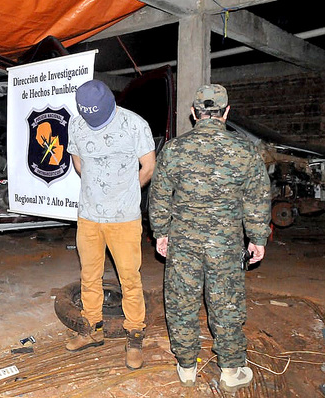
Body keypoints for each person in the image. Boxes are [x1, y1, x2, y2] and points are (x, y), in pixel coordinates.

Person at [149, 84, 271, 392]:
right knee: (227, 303)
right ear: (226, 112)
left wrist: (160, 233)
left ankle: (186, 366)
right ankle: (231, 369)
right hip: (226, 244)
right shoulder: (245, 150)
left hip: (184, 242)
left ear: (194, 113)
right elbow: (257, 197)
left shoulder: (174, 149)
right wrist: (257, 237)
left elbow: (159, 196)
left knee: (181, 302)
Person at [65, 79, 156, 370]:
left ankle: (134, 333)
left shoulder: (134, 124)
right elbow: (78, 162)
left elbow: (149, 165)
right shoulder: (77, 124)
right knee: (89, 275)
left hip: (124, 218)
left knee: (129, 277)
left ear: (111, 105)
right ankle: (92, 328)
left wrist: (128, 192)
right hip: (89, 216)